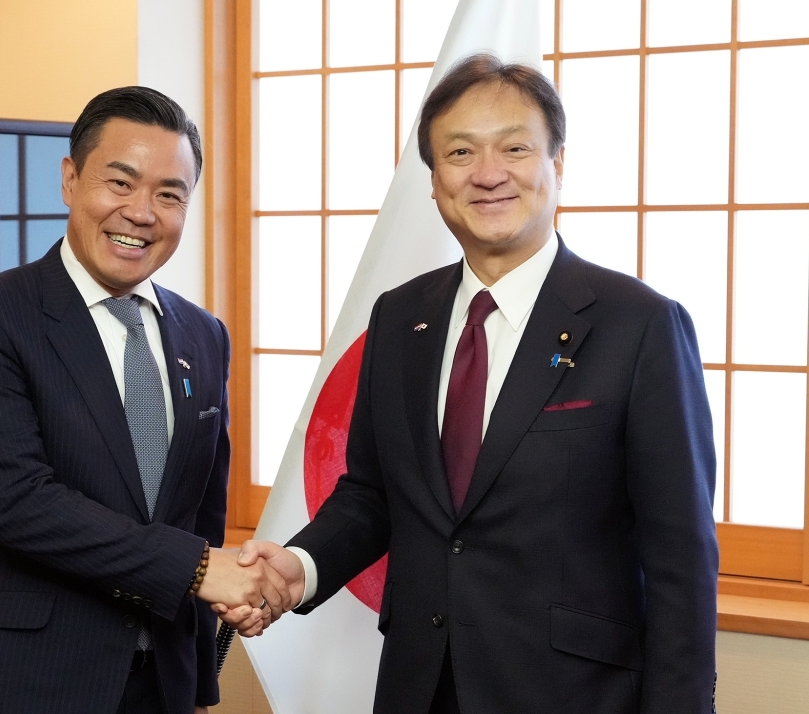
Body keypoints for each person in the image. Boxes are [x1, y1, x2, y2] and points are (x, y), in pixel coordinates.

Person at [221, 54, 719, 714]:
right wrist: (298, 568)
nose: (487, 174)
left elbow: (682, 556)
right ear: (434, 182)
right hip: (419, 687)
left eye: (515, 147)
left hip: (574, 695)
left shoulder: (640, 325)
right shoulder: (400, 317)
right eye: (460, 152)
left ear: (558, 163)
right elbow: (371, 495)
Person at [0, 87, 289, 714]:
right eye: (120, 183)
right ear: (70, 179)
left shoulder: (204, 334)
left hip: (159, 685)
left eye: (169, 194)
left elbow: (201, 513)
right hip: (21, 683)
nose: (141, 213)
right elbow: (19, 505)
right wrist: (202, 569)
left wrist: (200, 684)